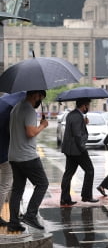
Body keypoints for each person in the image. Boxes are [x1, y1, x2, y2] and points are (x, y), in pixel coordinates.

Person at [7, 90, 49, 232]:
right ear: (35, 95)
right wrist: (43, 125)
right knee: (42, 184)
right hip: (27, 156)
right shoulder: (29, 110)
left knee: (17, 189)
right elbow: (30, 133)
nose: (39, 101)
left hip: (13, 155)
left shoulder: (16, 108)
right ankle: (30, 215)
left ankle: (13, 222)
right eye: (40, 98)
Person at [61, 98, 98, 205]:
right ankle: (86, 196)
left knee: (68, 174)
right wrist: (82, 148)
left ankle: (65, 198)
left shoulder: (71, 114)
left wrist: (84, 123)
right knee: (90, 170)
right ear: (84, 106)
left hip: (70, 149)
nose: (88, 108)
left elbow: (74, 131)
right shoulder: (77, 117)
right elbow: (77, 134)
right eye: (88, 106)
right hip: (77, 149)